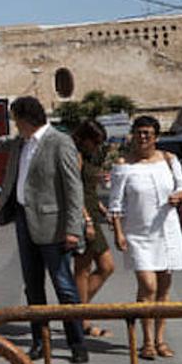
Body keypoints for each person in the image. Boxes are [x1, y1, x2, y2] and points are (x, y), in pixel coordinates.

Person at [0, 95, 89, 364]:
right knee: (33, 288)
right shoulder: (20, 144)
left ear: (25, 120)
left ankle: (77, 343)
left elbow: (73, 189)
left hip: (54, 227)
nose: (14, 125)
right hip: (25, 221)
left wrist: (73, 229)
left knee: (64, 287)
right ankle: (39, 341)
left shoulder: (60, 143)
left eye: (15, 119)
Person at [108, 115, 182, 360]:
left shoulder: (169, 160)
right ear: (133, 135)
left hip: (167, 233)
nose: (143, 137)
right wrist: (119, 232)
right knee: (148, 286)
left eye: (148, 133)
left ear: (156, 136)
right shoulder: (124, 165)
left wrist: (179, 196)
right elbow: (115, 204)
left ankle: (160, 340)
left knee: (164, 289)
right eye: (139, 132)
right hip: (138, 236)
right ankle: (145, 341)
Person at [72, 119, 117, 339]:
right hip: (82, 218)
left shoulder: (90, 155)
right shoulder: (76, 155)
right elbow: (74, 191)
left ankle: (76, 311)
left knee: (107, 266)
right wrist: (86, 220)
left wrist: (102, 209)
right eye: (95, 141)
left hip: (92, 213)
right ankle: (81, 320)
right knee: (83, 270)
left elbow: (89, 189)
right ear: (84, 138)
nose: (97, 146)